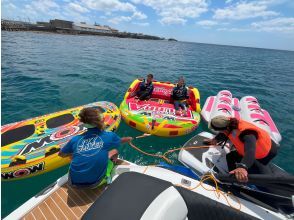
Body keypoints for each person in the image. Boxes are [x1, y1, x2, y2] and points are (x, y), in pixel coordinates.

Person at [58, 107, 132, 188]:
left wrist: (75, 153)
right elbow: (121, 141)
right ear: (101, 121)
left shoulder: (74, 139)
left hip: (73, 183)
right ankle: (107, 177)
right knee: (114, 151)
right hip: (94, 184)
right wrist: (129, 139)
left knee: (74, 156)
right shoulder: (109, 136)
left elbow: (61, 154)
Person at [204, 115, 278, 183]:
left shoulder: (246, 133)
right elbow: (224, 132)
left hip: (266, 152)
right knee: (231, 156)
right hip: (259, 147)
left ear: (224, 128)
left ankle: (238, 181)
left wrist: (242, 167)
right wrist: (215, 140)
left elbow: (250, 151)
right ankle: (236, 175)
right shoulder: (230, 123)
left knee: (235, 159)